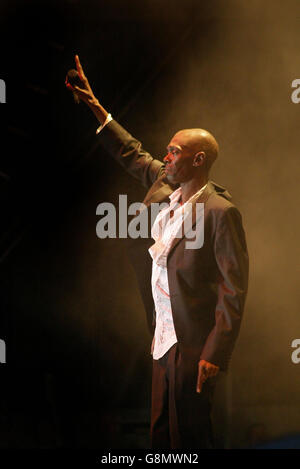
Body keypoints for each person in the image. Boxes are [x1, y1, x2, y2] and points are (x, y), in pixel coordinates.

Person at [65, 55, 249, 449]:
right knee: (161, 434)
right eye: (165, 152)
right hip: (162, 337)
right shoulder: (166, 186)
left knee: (191, 436)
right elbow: (131, 152)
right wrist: (95, 105)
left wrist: (215, 352)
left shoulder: (220, 211)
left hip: (194, 343)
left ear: (197, 160)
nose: (165, 157)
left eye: (173, 151)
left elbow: (233, 291)